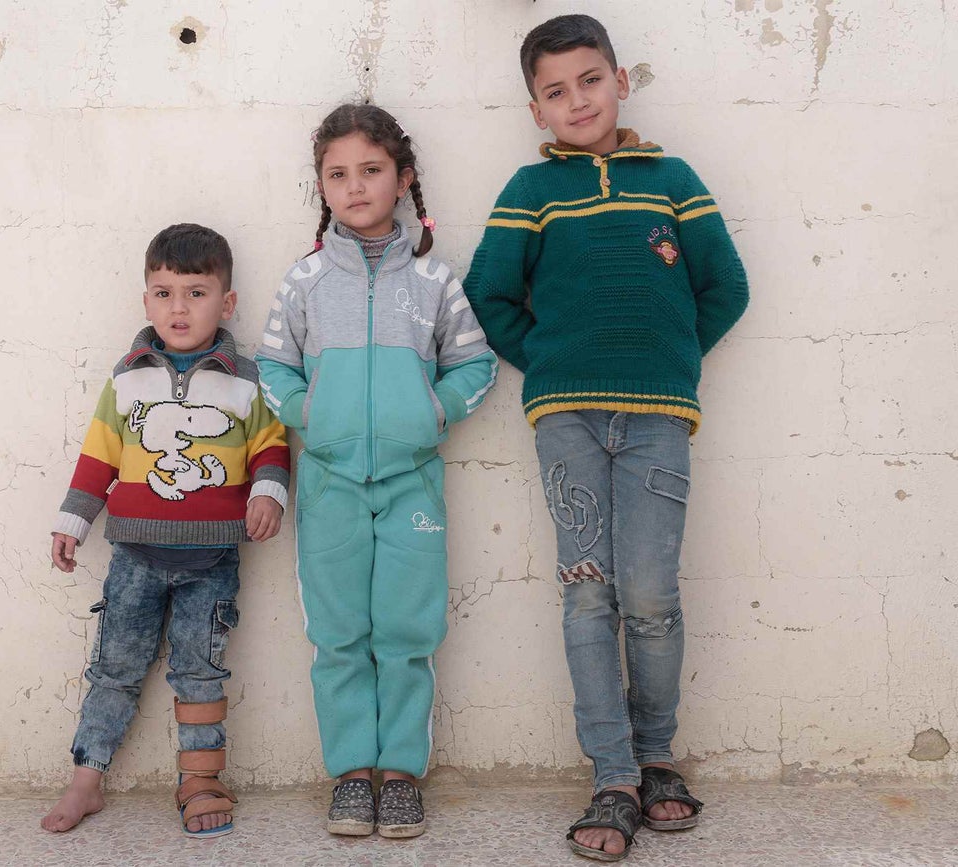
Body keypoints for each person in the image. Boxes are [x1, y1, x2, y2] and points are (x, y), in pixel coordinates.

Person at [464, 14, 749, 862]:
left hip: (659, 420)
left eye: (591, 80)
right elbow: (490, 295)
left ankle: (658, 755)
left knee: (653, 594)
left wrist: (666, 357)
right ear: (536, 109)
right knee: (589, 592)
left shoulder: (673, 178)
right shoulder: (528, 191)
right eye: (555, 90)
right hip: (570, 423)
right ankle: (613, 775)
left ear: (621, 82)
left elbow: (725, 287)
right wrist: (549, 365)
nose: (576, 99)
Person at [256, 104, 497, 839]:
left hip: (410, 481)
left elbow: (475, 361)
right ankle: (351, 774)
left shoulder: (431, 278)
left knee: (405, 628)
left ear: (403, 179)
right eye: (338, 173)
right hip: (328, 481)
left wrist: (432, 410)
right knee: (337, 632)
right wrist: (309, 412)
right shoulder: (303, 281)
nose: (355, 186)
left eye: (371, 170)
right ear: (321, 186)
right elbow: (272, 363)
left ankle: (400, 775)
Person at [41, 223, 290, 838]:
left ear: (226, 302)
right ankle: (86, 778)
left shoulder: (246, 381)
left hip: (212, 561)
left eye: (196, 293)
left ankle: (201, 780)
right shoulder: (127, 379)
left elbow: (271, 447)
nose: (178, 308)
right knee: (115, 668)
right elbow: (99, 454)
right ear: (145, 299)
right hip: (133, 557)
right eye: (163, 292)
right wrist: (74, 518)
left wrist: (268, 492)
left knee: (200, 670)